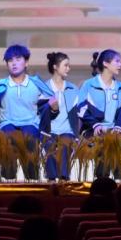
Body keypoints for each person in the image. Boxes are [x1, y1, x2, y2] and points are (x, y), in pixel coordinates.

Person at [0, 44, 54, 136]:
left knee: (30, 135)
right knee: (9, 135)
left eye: (18, 59)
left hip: (31, 125)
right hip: (6, 125)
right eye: (10, 60)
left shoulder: (36, 84)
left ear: (26, 63)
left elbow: (50, 110)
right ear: (7, 64)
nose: (14, 63)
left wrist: (54, 108)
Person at [39, 51, 80, 180]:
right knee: (49, 146)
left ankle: (64, 180)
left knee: (65, 145)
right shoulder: (44, 88)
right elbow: (39, 112)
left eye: (69, 65)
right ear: (55, 67)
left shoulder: (73, 89)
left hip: (67, 130)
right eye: (65, 65)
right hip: (48, 131)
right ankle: (51, 180)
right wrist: (50, 108)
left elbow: (78, 113)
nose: (68, 68)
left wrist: (77, 134)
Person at [75, 49, 121, 135]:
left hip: (116, 131)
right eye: (117, 61)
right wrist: (95, 124)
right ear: (105, 63)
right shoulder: (88, 85)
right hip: (92, 130)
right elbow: (80, 108)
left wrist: (118, 126)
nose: (120, 64)